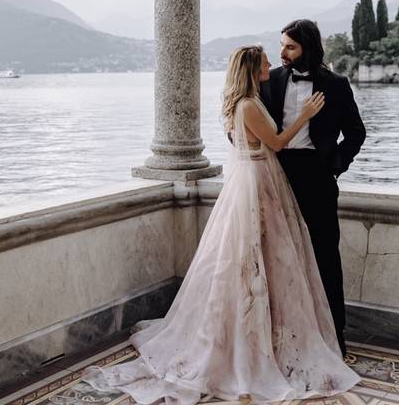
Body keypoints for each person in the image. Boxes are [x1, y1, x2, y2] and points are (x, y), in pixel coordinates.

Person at [82, 45, 359, 405]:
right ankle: (246, 343)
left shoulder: (251, 101)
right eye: (264, 62)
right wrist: (303, 116)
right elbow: (274, 142)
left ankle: (265, 335)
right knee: (248, 260)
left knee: (263, 259)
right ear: (251, 68)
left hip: (259, 180)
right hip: (257, 182)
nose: (271, 64)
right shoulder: (247, 105)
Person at [262, 19, 366, 357]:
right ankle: (281, 335)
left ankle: (335, 336)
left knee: (325, 255)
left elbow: (355, 132)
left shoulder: (335, 84)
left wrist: (334, 166)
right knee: (277, 254)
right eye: (282, 46)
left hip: (317, 176)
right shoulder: (272, 80)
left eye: (290, 47)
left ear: (308, 47)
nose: (283, 53)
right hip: (277, 173)